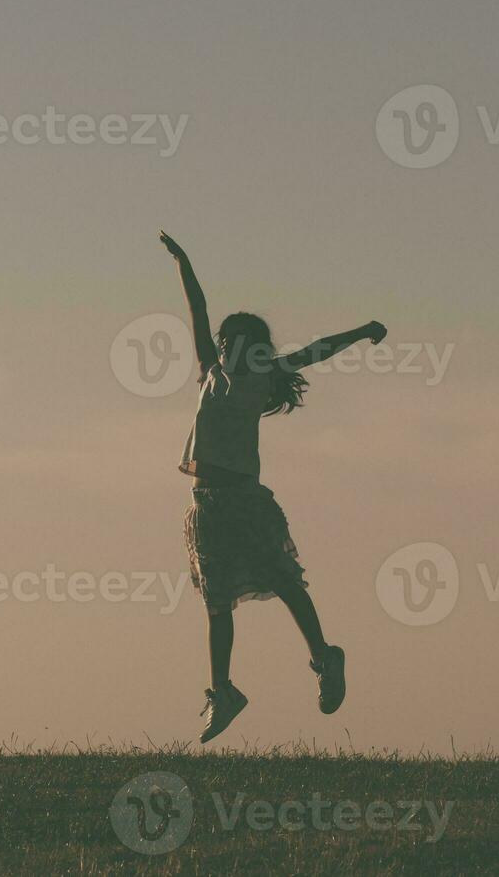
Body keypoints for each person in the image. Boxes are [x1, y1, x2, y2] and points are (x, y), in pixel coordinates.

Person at [158, 229, 387, 744]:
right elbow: (196, 308)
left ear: (250, 347)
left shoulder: (264, 374)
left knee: (284, 580)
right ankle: (224, 692)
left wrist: (363, 330)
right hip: (205, 507)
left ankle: (325, 657)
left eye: (229, 342)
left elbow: (316, 350)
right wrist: (184, 262)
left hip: (244, 502)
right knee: (216, 604)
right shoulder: (210, 374)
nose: (221, 348)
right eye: (219, 343)